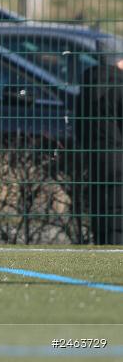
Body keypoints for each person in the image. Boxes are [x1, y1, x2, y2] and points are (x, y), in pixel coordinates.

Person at [74, 41, 123, 245]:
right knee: (118, 210)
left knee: (100, 208)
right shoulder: (119, 85)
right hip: (119, 159)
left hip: (95, 157)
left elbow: (80, 125)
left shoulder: (88, 84)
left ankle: (102, 246)